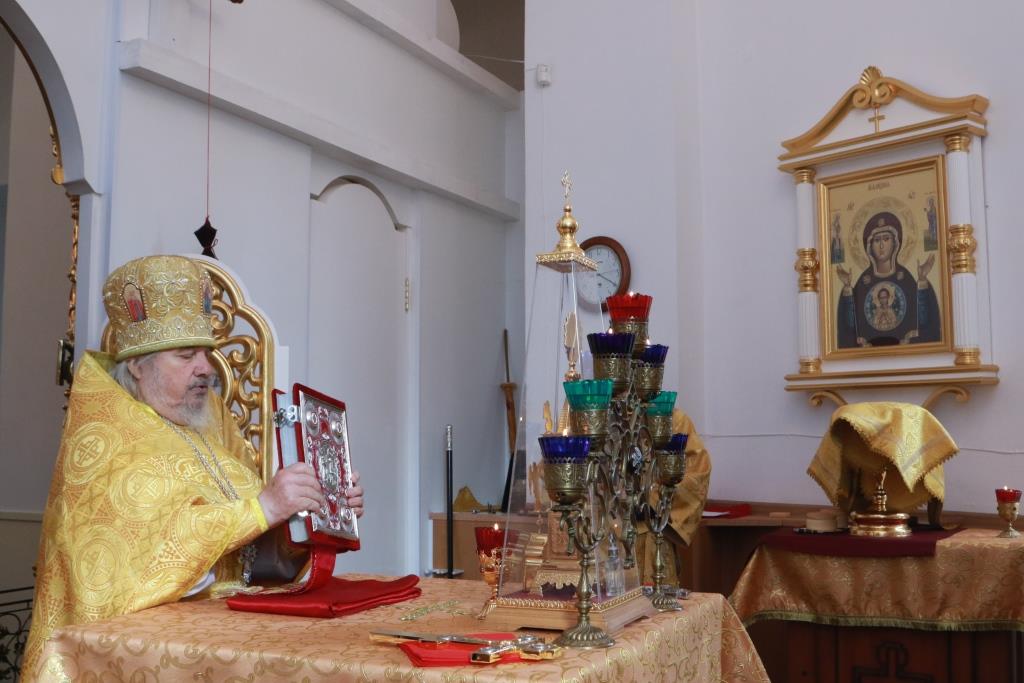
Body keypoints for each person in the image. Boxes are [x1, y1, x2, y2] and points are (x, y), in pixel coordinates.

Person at [23, 255, 364, 681]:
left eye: (206, 352)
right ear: (137, 365)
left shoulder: (208, 420)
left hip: (224, 643)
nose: (205, 368)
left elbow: (248, 560)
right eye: (186, 355)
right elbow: (135, 569)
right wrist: (262, 508)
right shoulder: (106, 440)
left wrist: (313, 510)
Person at [835, 211, 940, 348]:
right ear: (869, 245)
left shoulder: (905, 278)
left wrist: (922, 281)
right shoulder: (863, 282)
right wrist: (847, 289)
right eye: (877, 240)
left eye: (886, 239)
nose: (881, 246)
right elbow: (850, 326)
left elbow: (923, 321)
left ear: (895, 242)